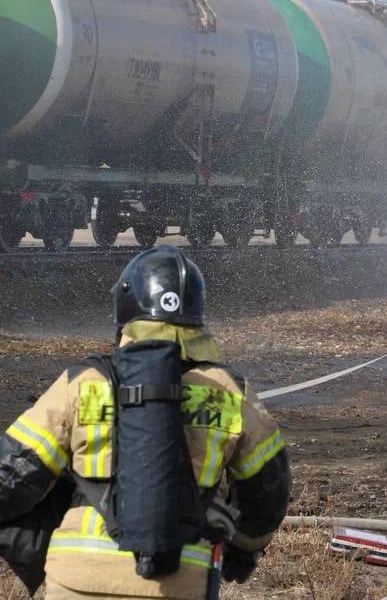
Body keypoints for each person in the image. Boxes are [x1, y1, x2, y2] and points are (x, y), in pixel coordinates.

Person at [0, 245, 290, 600]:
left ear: (125, 307)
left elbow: (12, 473)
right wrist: (245, 548)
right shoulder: (228, 392)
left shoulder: (85, 383)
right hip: (180, 584)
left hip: (77, 578)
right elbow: (268, 489)